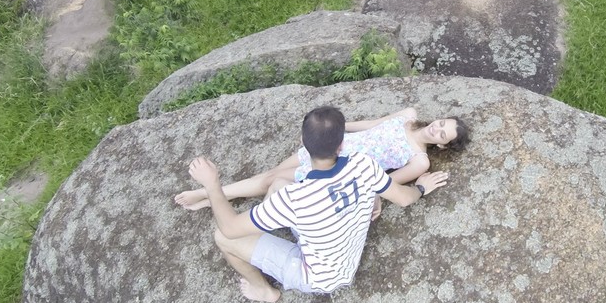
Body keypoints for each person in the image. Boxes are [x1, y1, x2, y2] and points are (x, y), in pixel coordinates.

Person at [186, 106, 449, 303]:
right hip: (345, 253)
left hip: (317, 274)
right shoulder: (364, 165)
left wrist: (212, 184)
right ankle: (263, 232)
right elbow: (404, 198)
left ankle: (265, 291)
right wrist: (422, 187)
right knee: (276, 183)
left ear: (303, 143)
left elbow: (231, 228)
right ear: (342, 144)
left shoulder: (295, 199)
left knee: (222, 237)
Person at [174, 107, 468, 211]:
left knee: (270, 181)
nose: (437, 129)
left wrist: (375, 197)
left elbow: (387, 182)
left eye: (443, 135)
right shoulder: (408, 116)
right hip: (333, 143)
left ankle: (207, 194)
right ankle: (210, 195)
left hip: (338, 167)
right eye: (442, 123)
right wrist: (330, 128)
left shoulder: (420, 161)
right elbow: (371, 124)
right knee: (272, 173)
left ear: (443, 147)